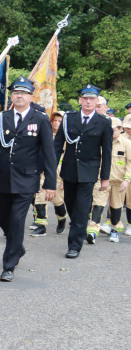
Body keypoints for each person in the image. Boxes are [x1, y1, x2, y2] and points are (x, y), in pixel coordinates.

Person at [0, 77, 57, 282]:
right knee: (3, 219)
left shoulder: (40, 118)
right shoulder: (2, 117)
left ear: (30, 97)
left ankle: (9, 266)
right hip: (4, 178)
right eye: (16, 93)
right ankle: (17, 246)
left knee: (17, 220)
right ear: (12, 96)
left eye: (23, 93)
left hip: (27, 178)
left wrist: (50, 183)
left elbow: (49, 153)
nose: (19, 96)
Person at [54, 85, 112, 258]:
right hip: (69, 170)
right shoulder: (69, 119)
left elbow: (107, 153)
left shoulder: (103, 123)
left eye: (92, 99)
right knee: (71, 204)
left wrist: (105, 178)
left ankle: (74, 246)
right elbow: (57, 146)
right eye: (85, 98)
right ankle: (80, 222)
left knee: (80, 209)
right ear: (80, 100)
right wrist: (51, 170)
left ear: (97, 101)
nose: (88, 102)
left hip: (89, 172)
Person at [88, 117, 131, 242]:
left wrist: (127, 180)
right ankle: (93, 231)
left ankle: (115, 229)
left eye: (113, 130)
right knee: (98, 205)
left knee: (116, 208)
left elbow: (130, 163)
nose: (110, 132)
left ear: (120, 130)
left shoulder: (127, 144)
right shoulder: (100, 142)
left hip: (119, 182)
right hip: (101, 180)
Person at [30, 111, 68, 235]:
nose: (56, 123)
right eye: (55, 120)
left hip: (58, 172)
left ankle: (62, 217)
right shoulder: (45, 134)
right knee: (40, 196)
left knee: (56, 200)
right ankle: (41, 225)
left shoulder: (67, 138)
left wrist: (64, 178)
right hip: (42, 171)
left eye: (60, 121)